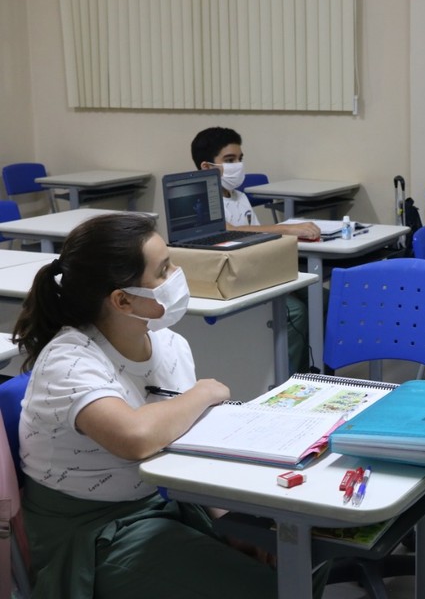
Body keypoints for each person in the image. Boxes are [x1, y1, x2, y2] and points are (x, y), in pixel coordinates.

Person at [10, 213, 328, 598]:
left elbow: (190, 444)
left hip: (164, 503)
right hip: (93, 534)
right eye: (164, 270)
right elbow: (136, 436)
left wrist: (231, 526)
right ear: (122, 299)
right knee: (270, 589)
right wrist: (205, 392)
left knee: (298, 562)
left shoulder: (168, 345)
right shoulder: (69, 361)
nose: (178, 274)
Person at [191, 126, 319, 374]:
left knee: (319, 299)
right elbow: (227, 231)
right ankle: (287, 376)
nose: (237, 166)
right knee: (296, 311)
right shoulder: (203, 202)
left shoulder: (239, 197)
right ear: (207, 167)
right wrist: (287, 230)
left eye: (239, 159)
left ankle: (316, 369)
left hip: (256, 273)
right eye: (229, 160)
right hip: (235, 280)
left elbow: (259, 237)